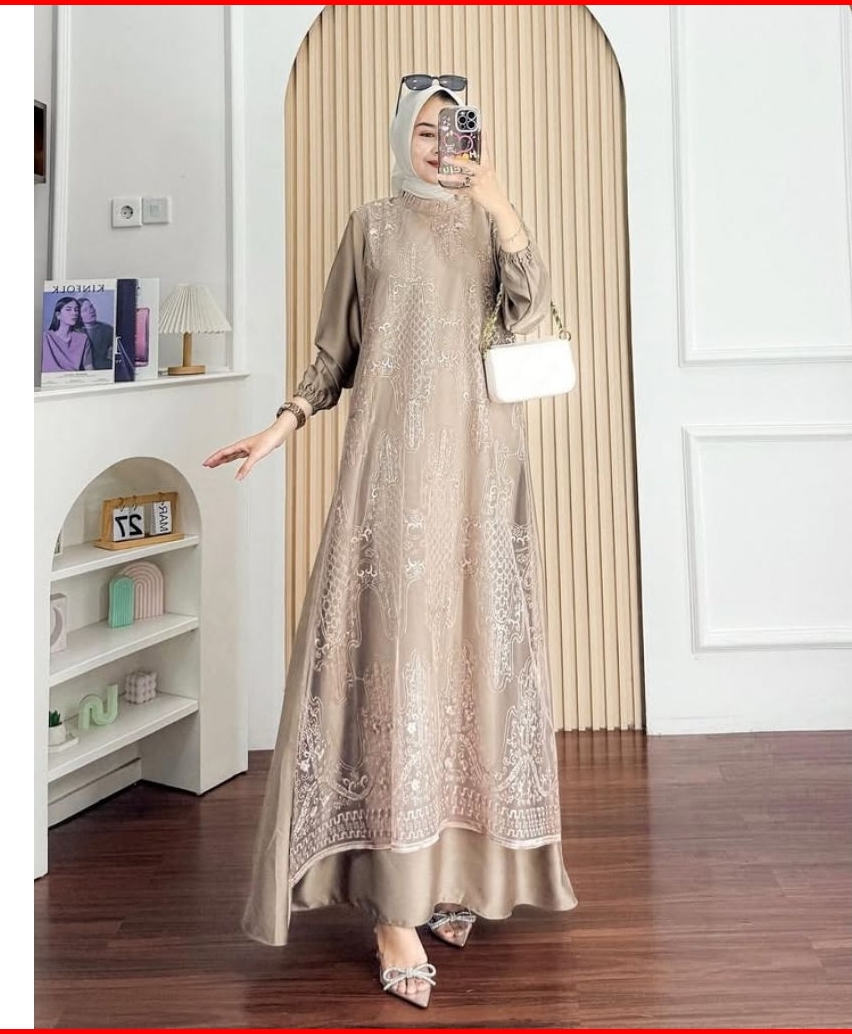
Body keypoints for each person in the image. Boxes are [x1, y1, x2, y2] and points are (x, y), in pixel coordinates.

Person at [204, 77, 577, 1009]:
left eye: (455, 130)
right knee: (398, 673)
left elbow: (532, 317)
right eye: (425, 129)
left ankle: (451, 878)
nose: (441, 145)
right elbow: (334, 356)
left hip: (481, 479)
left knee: (467, 672)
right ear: (400, 134)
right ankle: (393, 912)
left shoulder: (489, 224)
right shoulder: (370, 228)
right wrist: (281, 424)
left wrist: (501, 204)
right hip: (395, 486)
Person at [41, 297, 93, 372]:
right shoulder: (46, 337)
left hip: (74, 377)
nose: (74, 313)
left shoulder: (83, 338)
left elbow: (88, 366)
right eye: (68, 309)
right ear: (58, 315)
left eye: (76, 310)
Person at [77, 297, 116, 370]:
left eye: (91, 307)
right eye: (85, 310)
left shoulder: (108, 329)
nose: (91, 311)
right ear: (79, 316)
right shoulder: (74, 333)